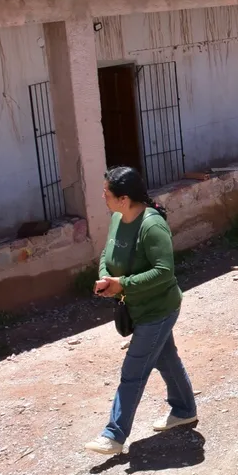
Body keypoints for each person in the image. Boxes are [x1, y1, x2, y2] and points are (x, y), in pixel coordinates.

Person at [85, 167, 197, 456]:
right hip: (136, 306)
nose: (102, 196)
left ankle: (114, 434)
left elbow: (164, 271)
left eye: (106, 193)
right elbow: (106, 254)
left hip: (158, 309)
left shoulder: (152, 226)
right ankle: (184, 409)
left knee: (133, 370)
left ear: (123, 198)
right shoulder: (116, 218)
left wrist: (122, 283)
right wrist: (105, 279)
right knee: (166, 358)